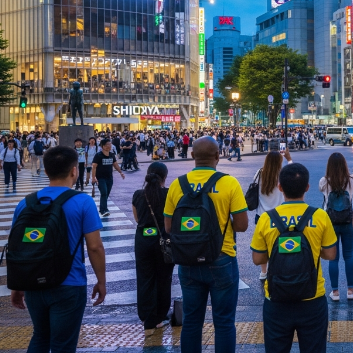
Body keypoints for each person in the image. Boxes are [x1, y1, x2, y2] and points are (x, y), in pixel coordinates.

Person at [10, 146, 106, 352]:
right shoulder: (82, 201)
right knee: (63, 344)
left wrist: (17, 284)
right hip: (69, 284)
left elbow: (17, 247)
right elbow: (95, 247)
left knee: (40, 336)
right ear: (74, 170)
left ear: (46, 171)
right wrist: (101, 281)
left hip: (33, 282)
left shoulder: (25, 204)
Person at [163, 137, 249, 353]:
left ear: (192, 156)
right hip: (222, 258)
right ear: (218, 156)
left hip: (188, 260)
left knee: (191, 321)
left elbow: (168, 227)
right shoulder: (228, 183)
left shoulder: (177, 184)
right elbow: (241, 226)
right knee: (224, 322)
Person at [251, 163, 338, 353]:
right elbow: (331, 254)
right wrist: (314, 250)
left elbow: (257, 259)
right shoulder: (320, 216)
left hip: (276, 299)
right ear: (307, 187)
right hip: (312, 298)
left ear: (280, 187)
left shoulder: (267, 219)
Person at [132, 162, 174, 334]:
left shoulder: (138, 194)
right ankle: (160, 316)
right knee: (164, 278)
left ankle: (147, 317)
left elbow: (137, 219)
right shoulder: (169, 193)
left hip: (143, 240)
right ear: (164, 177)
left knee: (144, 278)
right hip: (163, 239)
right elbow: (172, 220)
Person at [319, 152, 353, 301]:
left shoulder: (324, 181)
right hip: (348, 221)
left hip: (330, 222)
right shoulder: (351, 180)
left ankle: (335, 292)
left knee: (333, 258)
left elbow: (321, 192)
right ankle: (350, 290)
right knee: (349, 256)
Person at [253, 150, 292, 280]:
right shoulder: (282, 175)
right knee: (279, 244)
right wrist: (289, 158)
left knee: (263, 245)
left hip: (261, 215)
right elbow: (294, 175)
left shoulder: (259, 173)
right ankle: (277, 269)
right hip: (279, 215)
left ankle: (264, 272)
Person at [91, 139, 125, 217]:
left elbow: (115, 164)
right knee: (104, 193)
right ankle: (104, 210)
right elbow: (94, 166)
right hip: (100, 178)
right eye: (107, 145)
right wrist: (93, 177)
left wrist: (120, 172)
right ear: (102, 146)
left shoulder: (111, 155)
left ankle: (103, 208)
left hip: (109, 177)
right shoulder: (98, 155)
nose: (109, 146)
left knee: (107, 194)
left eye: (110, 144)